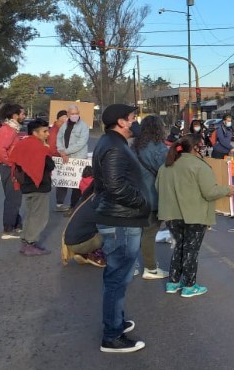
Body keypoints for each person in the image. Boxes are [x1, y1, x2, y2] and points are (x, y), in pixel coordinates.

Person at [93, 104, 150, 353]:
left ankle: (115, 321)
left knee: (119, 277)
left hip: (121, 220)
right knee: (117, 278)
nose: (135, 121)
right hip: (121, 222)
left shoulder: (112, 143)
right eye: (132, 117)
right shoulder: (114, 147)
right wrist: (141, 202)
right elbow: (115, 187)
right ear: (121, 122)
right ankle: (112, 336)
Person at [156, 134, 234, 298]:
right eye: (202, 145)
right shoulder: (199, 166)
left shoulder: (166, 165)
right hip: (194, 214)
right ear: (195, 147)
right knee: (191, 250)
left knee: (179, 247)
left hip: (171, 215)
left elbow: (158, 187)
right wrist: (227, 190)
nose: (204, 148)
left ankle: (173, 281)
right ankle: (189, 285)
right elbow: (209, 192)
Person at [9, 119, 55, 256]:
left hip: (26, 185)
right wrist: (47, 148)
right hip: (38, 185)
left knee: (30, 215)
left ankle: (25, 242)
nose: (47, 134)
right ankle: (30, 243)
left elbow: (14, 161)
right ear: (35, 132)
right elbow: (50, 165)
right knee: (39, 217)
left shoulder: (22, 144)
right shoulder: (40, 147)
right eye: (44, 131)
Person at [132, 115, 170, 279]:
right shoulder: (159, 148)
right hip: (153, 196)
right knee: (149, 233)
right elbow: (166, 171)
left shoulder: (134, 146)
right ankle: (150, 268)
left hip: (135, 196)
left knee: (134, 233)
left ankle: (131, 265)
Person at [0, 103, 25, 239]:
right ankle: (8, 230)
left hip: (11, 167)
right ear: (15, 115)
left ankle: (17, 224)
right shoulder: (8, 130)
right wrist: (10, 162)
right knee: (13, 198)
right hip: (9, 168)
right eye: (22, 114)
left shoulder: (14, 129)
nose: (24, 116)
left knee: (14, 196)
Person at [56, 104, 90, 214]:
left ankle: (74, 207)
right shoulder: (64, 125)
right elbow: (59, 138)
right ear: (68, 114)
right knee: (65, 181)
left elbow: (81, 143)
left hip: (78, 158)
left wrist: (65, 152)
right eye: (72, 114)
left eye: (76, 113)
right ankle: (60, 203)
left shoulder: (83, 126)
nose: (75, 116)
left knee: (77, 185)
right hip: (65, 158)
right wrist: (61, 151)